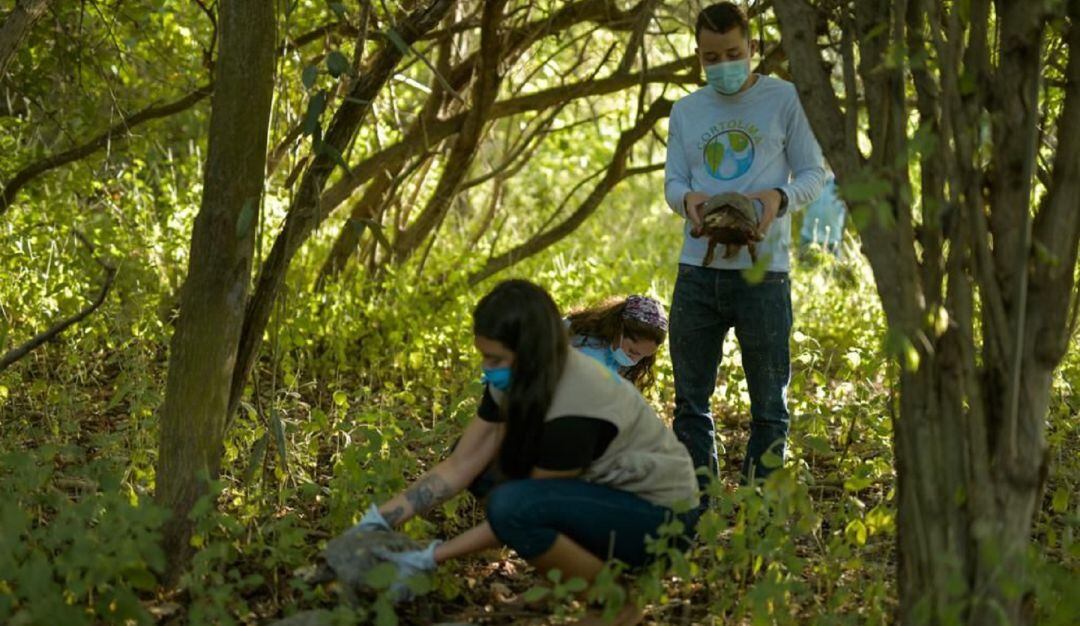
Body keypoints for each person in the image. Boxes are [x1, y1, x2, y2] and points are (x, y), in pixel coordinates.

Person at [353, 280, 698, 625]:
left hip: (660, 517)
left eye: (497, 358)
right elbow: (462, 463)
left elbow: (528, 506)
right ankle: (561, 582)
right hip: (601, 494)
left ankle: (614, 605)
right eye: (484, 355)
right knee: (486, 469)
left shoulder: (580, 401)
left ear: (532, 352)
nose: (488, 368)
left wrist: (427, 558)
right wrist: (375, 524)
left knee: (513, 506)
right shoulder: (514, 379)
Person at [664, 2, 825, 497]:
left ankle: (761, 509)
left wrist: (778, 198)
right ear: (698, 57)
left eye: (733, 53)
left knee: (769, 404)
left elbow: (814, 174)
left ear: (753, 48)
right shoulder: (686, 111)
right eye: (711, 58)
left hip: (765, 274)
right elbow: (673, 182)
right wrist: (687, 201)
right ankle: (697, 505)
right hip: (697, 272)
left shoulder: (785, 99)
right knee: (691, 401)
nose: (723, 65)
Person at [565, 295, 668, 392]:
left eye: (644, 356)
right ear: (619, 329)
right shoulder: (585, 348)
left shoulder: (615, 352)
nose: (634, 360)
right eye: (632, 351)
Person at [799, 172, 846, 257]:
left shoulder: (839, 184)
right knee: (802, 267)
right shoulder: (812, 182)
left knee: (832, 268)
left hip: (832, 239)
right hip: (808, 236)